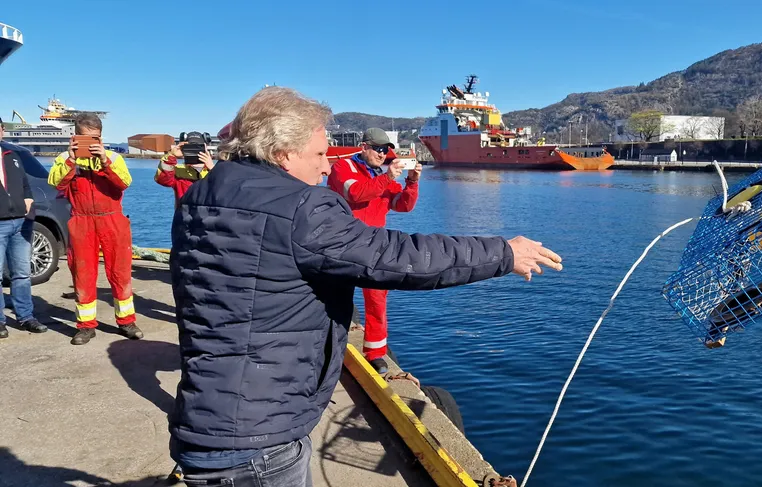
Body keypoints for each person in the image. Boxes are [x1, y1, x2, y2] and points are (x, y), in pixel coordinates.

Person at [169, 86, 562, 486]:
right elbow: (397, 256)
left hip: (212, 408)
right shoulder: (298, 206)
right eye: (320, 154)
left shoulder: (203, 194)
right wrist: (502, 253)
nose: (326, 169)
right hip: (258, 431)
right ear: (283, 152)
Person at [327, 127, 420, 373]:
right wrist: (388, 177)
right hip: (342, 243)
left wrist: (411, 182)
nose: (382, 154)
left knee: (377, 300)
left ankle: (376, 354)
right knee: (334, 295)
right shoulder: (342, 168)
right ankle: (326, 343)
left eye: (385, 150)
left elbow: (403, 205)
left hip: (374, 245)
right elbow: (356, 193)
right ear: (364, 146)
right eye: (378, 149)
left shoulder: (381, 174)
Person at [48, 113, 141, 345]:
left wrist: (105, 162)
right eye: (86, 138)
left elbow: (124, 183)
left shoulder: (113, 157)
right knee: (83, 274)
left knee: (120, 273)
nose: (92, 143)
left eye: (96, 138)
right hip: (81, 221)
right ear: (75, 136)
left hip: (113, 220)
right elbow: (55, 184)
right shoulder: (63, 159)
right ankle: (86, 326)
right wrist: (71, 161)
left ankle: (126, 321)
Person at [0, 118, 48, 339]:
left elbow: (25, 184)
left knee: (22, 274)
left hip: (21, 223)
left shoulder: (13, 156)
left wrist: (28, 198)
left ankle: (26, 317)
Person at [154, 142, 215, 207]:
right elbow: (163, 180)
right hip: (185, 215)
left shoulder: (216, 171)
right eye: (190, 148)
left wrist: (213, 169)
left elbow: (224, 191)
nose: (194, 153)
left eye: (199, 148)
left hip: (210, 215)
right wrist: (171, 156)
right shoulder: (178, 170)